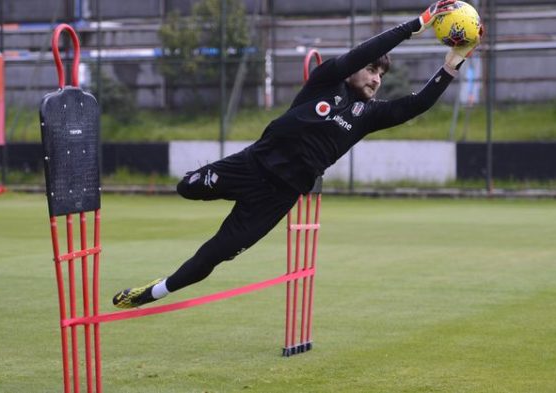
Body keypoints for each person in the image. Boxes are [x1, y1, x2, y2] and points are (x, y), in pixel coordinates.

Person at [112, 0, 481, 309]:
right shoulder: (326, 79)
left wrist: (452, 64)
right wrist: (415, 24)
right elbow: (359, 55)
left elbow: (415, 105)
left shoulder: (368, 116)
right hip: (250, 164)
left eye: (381, 75)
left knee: (214, 255)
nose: (376, 78)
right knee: (186, 188)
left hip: (278, 196)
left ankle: (151, 293)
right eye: (371, 70)